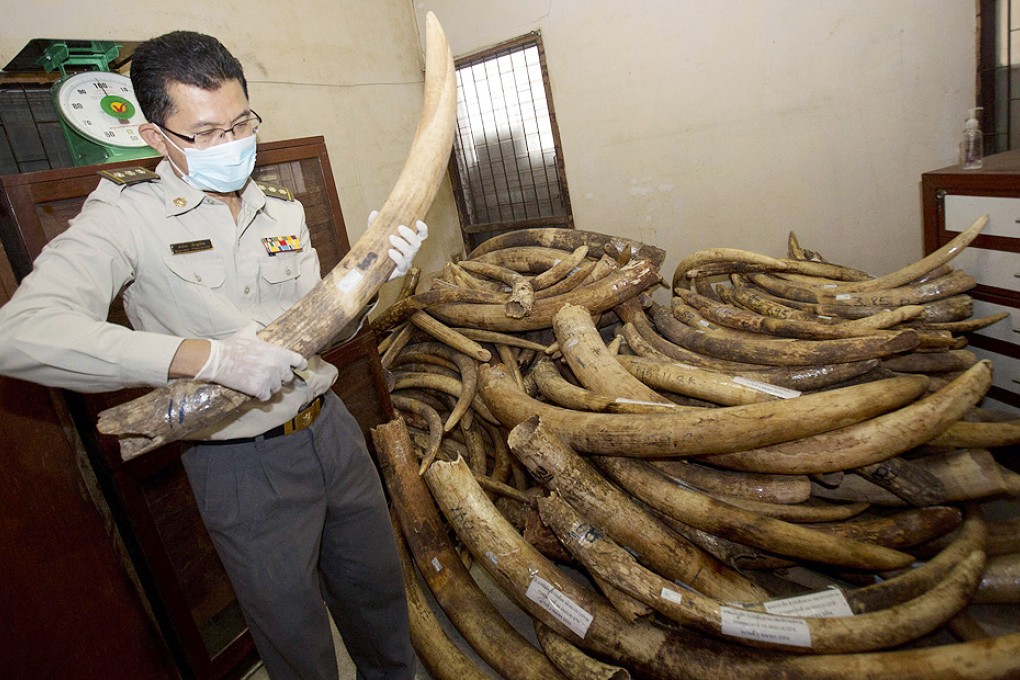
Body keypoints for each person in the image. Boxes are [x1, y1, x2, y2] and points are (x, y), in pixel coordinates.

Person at [0, 31, 422, 680]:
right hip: (241, 464)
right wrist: (207, 357)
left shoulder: (279, 207)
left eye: (241, 123)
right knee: (295, 640)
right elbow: (21, 335)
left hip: (331, 432)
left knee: (381, 604)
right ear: (156, 137)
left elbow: (320, 328)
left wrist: (374, 277)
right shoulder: (123, 217)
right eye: (205, 132)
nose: (231, 145)